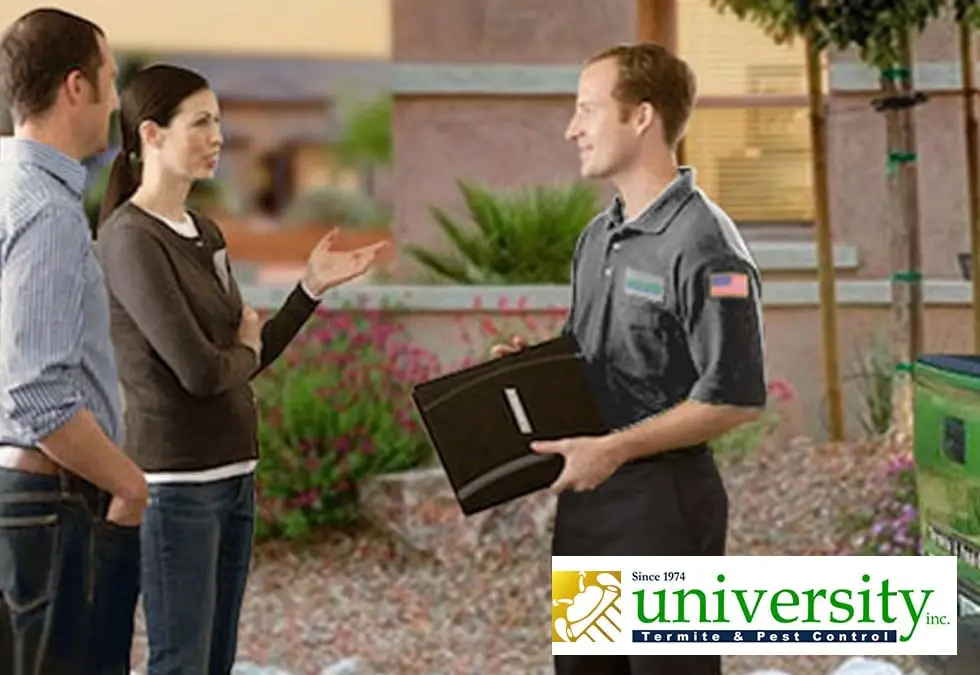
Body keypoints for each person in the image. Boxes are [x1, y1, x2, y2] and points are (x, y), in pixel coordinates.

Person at [92, 63, 386, 675]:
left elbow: (244, 358)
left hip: (234, 479)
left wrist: (308, 289)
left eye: (219, 122)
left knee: (217, 663)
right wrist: (243, 350)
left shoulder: (205, 231)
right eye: (201, 123)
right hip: (177, 488)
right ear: (152, 134)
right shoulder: (129, 240)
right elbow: (200, 371)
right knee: (182, 663)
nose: (218, 137)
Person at [493, 43, 768, 675]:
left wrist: (615, 448)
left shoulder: (706, 245)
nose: (572, 128)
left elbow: (734, 397)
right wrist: (536, 366)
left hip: (664, 507)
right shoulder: (598, 238)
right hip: (590, 498)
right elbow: (595, 353)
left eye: (588, 109)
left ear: (641, 117)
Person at [0, 8, 149, 675]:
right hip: (51, 507)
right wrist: (129, 484)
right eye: (111, 79)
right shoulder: (48, 212)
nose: (116, 99)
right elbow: (37, 392)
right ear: (75, 87)